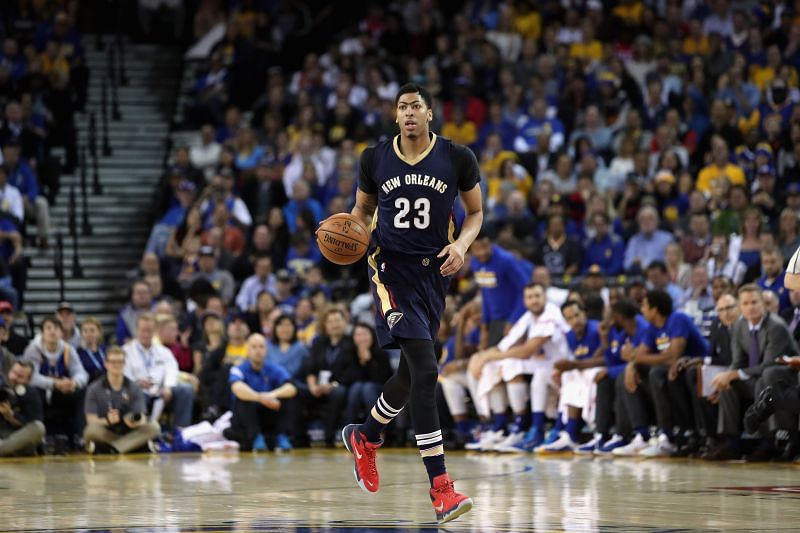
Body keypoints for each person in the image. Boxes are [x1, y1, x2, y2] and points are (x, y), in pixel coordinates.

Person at [335, 83, 482, 524]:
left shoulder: (458, 157)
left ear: (430, 114)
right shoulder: (374, 158)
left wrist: (463, 246)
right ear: (396, 116)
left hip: (434, 272)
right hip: (389, 269)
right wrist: (349, 232)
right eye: (403, 107)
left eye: (417, 106)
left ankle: (367, 435)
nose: (410, 113)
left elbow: (475, 214)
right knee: (428, 367)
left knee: (408, 373)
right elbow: (360, 215)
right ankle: (440, 487)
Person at [224, 334, 297, 452]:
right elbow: (237, 388)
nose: (258, 351)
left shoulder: (274, 368)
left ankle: (281, 436)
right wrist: (260, 397)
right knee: (244, 398)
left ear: (266, 349)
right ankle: (255, 437)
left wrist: (272, 395)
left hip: (267, 415)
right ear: (248, 350)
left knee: (286, 395)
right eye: (254, 347)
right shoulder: (238, 369)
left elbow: (291, 387)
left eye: (261, 347)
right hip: (246, 419)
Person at [83, 347, 161, 454]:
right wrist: (108, 421)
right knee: (90, 430)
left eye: (120, 362)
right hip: (107, 431)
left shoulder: (134, 387)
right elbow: (91, 420)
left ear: (125, 364)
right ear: (106, 364)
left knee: (154, 427)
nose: (117, 365)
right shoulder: (94, 388)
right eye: (113, 362)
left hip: (130, 431)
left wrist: (135, 422)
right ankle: (134, 447)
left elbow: (141, 416)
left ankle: (111, 449)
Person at [0, 361, 45, 456]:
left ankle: (5, 449)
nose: (13, 378)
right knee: (27, 448)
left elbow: (32, 425)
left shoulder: (31, 394)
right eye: (13, 372)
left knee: (39, 427)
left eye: (20, 377)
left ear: (28, 381)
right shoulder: (2, 387)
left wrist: (10, 416)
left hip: (16, 436)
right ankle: (9, 450)